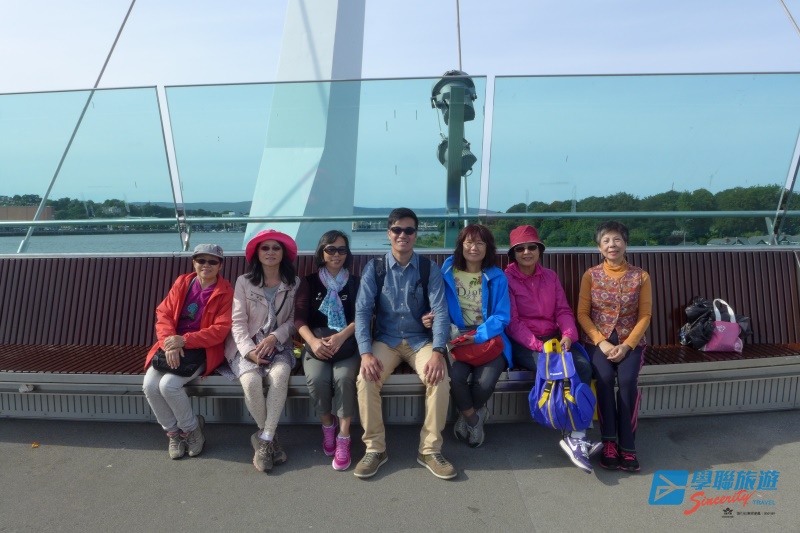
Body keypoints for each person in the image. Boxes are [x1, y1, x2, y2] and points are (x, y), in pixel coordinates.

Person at [353, 207, 455, 480]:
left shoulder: (428, 268)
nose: (403, 235)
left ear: (415, 235)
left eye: (409, 230)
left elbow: (440, 312)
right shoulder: (374, 269)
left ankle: (430, 450)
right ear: (389, 234)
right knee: (366, 378)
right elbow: (362, 312)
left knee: (439, 377)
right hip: (385, 340)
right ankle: (375, 449)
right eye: (397, 230)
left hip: (419, 340)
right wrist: (365, 353)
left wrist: (438, 352)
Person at [504, 225, 600, 473]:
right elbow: (512, 322)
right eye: (520, 249)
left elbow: (563, 311)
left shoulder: (550, 277)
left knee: (582, 365)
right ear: (513, 254)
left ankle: (576, 435)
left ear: (540, 250)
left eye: (532, 247)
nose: (527, 252)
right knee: (557, 368)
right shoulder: (506, 279)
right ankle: (570, 430)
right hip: (525, 342)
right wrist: (539, 346)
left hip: (555, 337)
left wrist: (568, 335)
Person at [143, 244, 234, 459]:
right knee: (149, 385)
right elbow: (163, 314)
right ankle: (174, 433)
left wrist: (183, 341)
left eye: (212, 261)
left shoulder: (226, 292)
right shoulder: (183, 283)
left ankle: (191, 430)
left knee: (168, 385)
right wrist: (169, 344)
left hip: (202, 350)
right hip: (171, 346)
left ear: (220, 265)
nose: (206, 265)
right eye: (201, 260)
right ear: (194, 262)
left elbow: (220, 330)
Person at [221, 229, 300, 473]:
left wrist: (276, 336)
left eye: (276, 248)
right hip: (246, 345)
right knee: (251, 381)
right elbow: (237, 322)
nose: (270, 252)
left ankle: (264, 440)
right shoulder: (244, 282)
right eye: (265, 248)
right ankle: (269, 438)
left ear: (283, 253)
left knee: (279, 376)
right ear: (257, 253)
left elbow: (293, 320)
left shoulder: (293, 283)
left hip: (279, 345)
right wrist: (249, 352)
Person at [576, 221, 652, 472]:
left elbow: (645, 315)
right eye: (606, 240)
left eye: (617, 239)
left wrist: (628, 345)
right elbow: (582, 314)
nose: (612, 245)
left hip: (631, 342)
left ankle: (628, 446)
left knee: (628, 382)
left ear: (626, 244)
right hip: (598, 342)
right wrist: (602, 342)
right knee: (605, 379)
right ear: (599, 247)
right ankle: (609, 441)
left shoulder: (641, 276)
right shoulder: (591, 275)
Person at [436, 224, 511, 448]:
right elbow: (438, 304)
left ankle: (466, 415)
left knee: (484, 383)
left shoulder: (496, 277)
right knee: (454, 377)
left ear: (488, 248)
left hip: (488, 336)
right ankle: (474, 419)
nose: (474, 248)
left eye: (480, 243)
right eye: (469, 242)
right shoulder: (448, 272)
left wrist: (477, 336)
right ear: (461, 246)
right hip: (457, 337)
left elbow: (502, 316)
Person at [294, 230, 361, 471]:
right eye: (330, 249)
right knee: (317, 379)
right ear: (322, 252)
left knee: (344, 378)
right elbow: (299, 319)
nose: (336, 254)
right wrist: (313, 342)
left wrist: (341, 336)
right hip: (317, 345)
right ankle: (327, 425)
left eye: (341, 250)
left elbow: (362, 316)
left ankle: (344, 436)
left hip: (347, 344)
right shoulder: (309, 282)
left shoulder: (355, 282)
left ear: (347, 253)